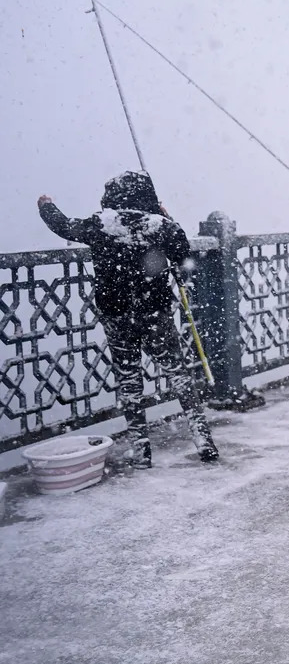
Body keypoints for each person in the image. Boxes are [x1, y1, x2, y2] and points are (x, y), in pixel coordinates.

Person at [36, 172, 218, 467]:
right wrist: (166, 217)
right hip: (155, 313)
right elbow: (184, 256)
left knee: (130, 381)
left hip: (116, 315)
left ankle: (141, 450)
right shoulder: (160, 226)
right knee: (179, 375)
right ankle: (203, 440)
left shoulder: (101, 224)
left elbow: (64, 226)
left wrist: (46, 205)